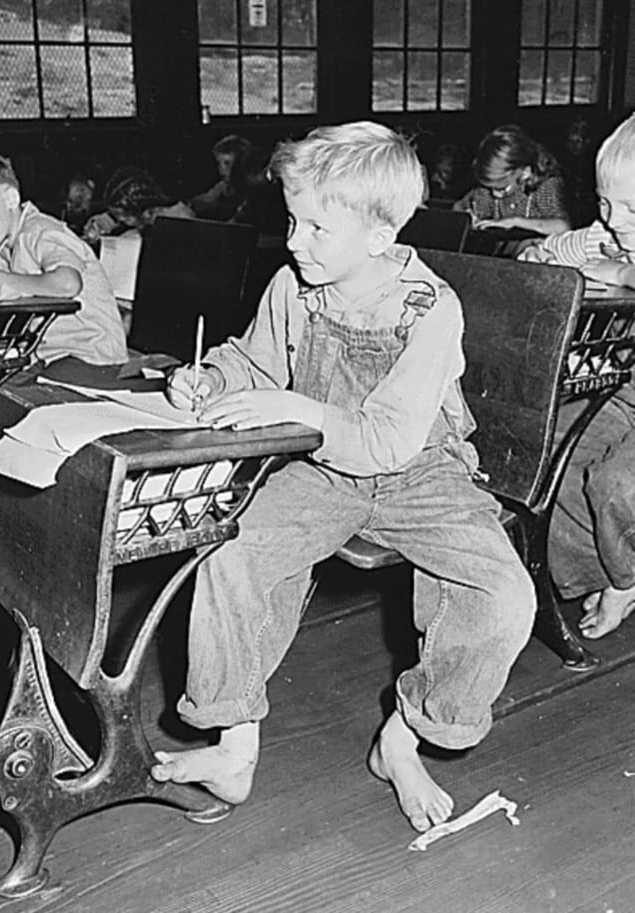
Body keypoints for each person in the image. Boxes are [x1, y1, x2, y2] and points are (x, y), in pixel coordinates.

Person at [154, 121, 536, 833]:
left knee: (504, 594)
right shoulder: (297, 283)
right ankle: (234, 746)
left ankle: (405, 736)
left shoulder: (431, 308)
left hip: (421, 468)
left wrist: (298, 405)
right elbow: (255, 360)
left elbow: (390, 438)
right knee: (233, 554)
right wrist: (210, 377)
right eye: (293, 219)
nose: (294, 239)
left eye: (314, 226)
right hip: (326, 469)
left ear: (378, 236)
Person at [518, 111, 635, 639]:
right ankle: (602, 568)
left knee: (618, 485)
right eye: (607, 203)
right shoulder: (612, 233)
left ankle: (626, 579)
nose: (617, 221)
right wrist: (538, 254)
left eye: (634, 208)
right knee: (559, 451)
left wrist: (623, 273)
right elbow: (553, 252)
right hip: (624, 388)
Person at [0, 150, 128, 367]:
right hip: (49, 356)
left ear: (10, 198)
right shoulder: (2, 246)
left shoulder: (40, 231)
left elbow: (68, 283)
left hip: (92, 357)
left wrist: (3, 280)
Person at [454, 124, 571, 236]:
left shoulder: (545, 185)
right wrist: (468, 216)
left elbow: (562, 227)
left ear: (525, 173)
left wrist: (515, 222)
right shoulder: (488, 190)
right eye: (491, 188)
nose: (495, 194)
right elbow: (458, 206)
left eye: (501, 189)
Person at [83, 166, 193, 244]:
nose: (119, 220)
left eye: (122, 217)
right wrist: (98, 225)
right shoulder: (135, 215)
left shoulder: (180, 219)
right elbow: (108, 221)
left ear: (143, 212)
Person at [190, 135, 258, 223]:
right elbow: (203, 201)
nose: (221, 169)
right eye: (219, 163)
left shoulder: (252, 191)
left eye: (227, 163)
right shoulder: (223, 186)